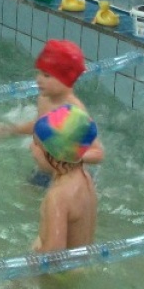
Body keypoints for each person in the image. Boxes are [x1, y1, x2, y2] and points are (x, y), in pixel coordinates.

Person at [0, 39, 104, 186]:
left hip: (67, 175)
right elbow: (39, 124)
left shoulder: (74, 110)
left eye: (46, 75)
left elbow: (97, 153)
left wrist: (66, 159)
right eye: (39, 73)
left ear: (66, 79)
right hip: (45, 170)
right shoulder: (45, 98)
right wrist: (10, 130)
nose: (38, 79)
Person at [30, 104, 99, 252]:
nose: (31, 148)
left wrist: (34, 258)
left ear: (55, 154)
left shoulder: (58, 196)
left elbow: (55, 254)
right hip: (81, 262)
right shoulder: (85, 177)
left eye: (36, 145)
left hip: (61, 268)